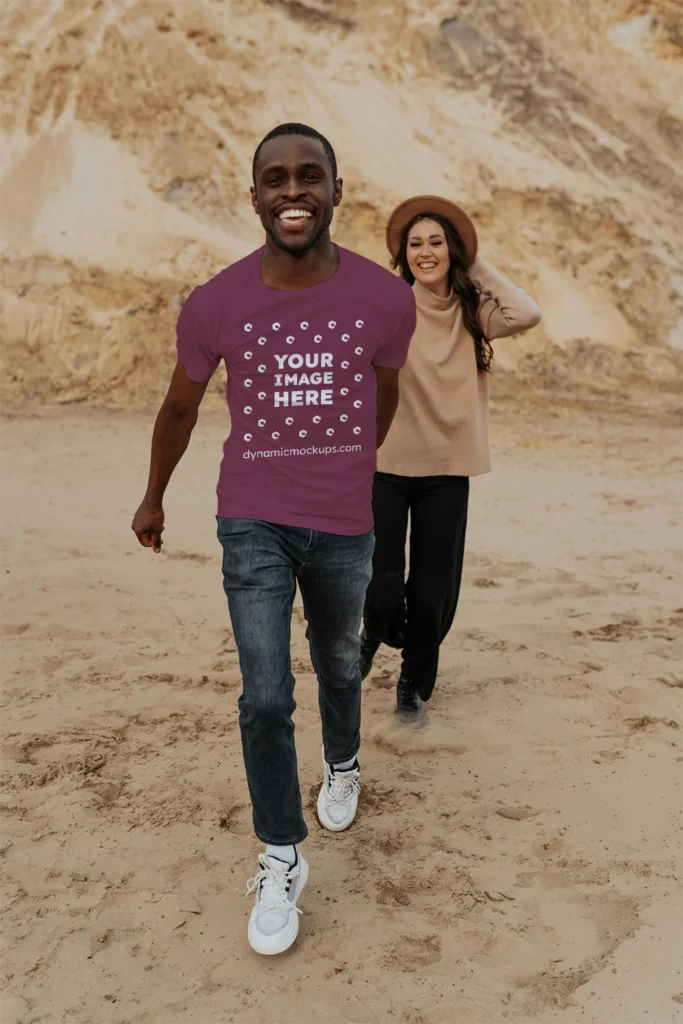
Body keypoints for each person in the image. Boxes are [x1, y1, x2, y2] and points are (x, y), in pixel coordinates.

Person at [131, 124, 416, 955]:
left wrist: (355, 469)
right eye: (275, 179)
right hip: (250, 517)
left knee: (336, 663)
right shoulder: (215, 301)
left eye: (309, 177)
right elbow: (180, 407)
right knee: (262, 693)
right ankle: (281, 852)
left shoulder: (382, 298)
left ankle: (341, 762)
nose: (293, 192)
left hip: (342, 522)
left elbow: (382, 393)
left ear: (335, 188)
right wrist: (153, 496)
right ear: (253, 194)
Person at [360, 195, 542, 722]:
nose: (425, 252)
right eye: (415, 244)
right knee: (382, 577)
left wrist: (474, 261)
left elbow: (526, 313)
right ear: (403, 254)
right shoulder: (388, 304)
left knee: (433, 589)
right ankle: (372, 630)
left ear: (452, 249)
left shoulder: (474, 310)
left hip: (447, 471)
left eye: (436, 242)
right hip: (387, 467)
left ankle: (411, 687)